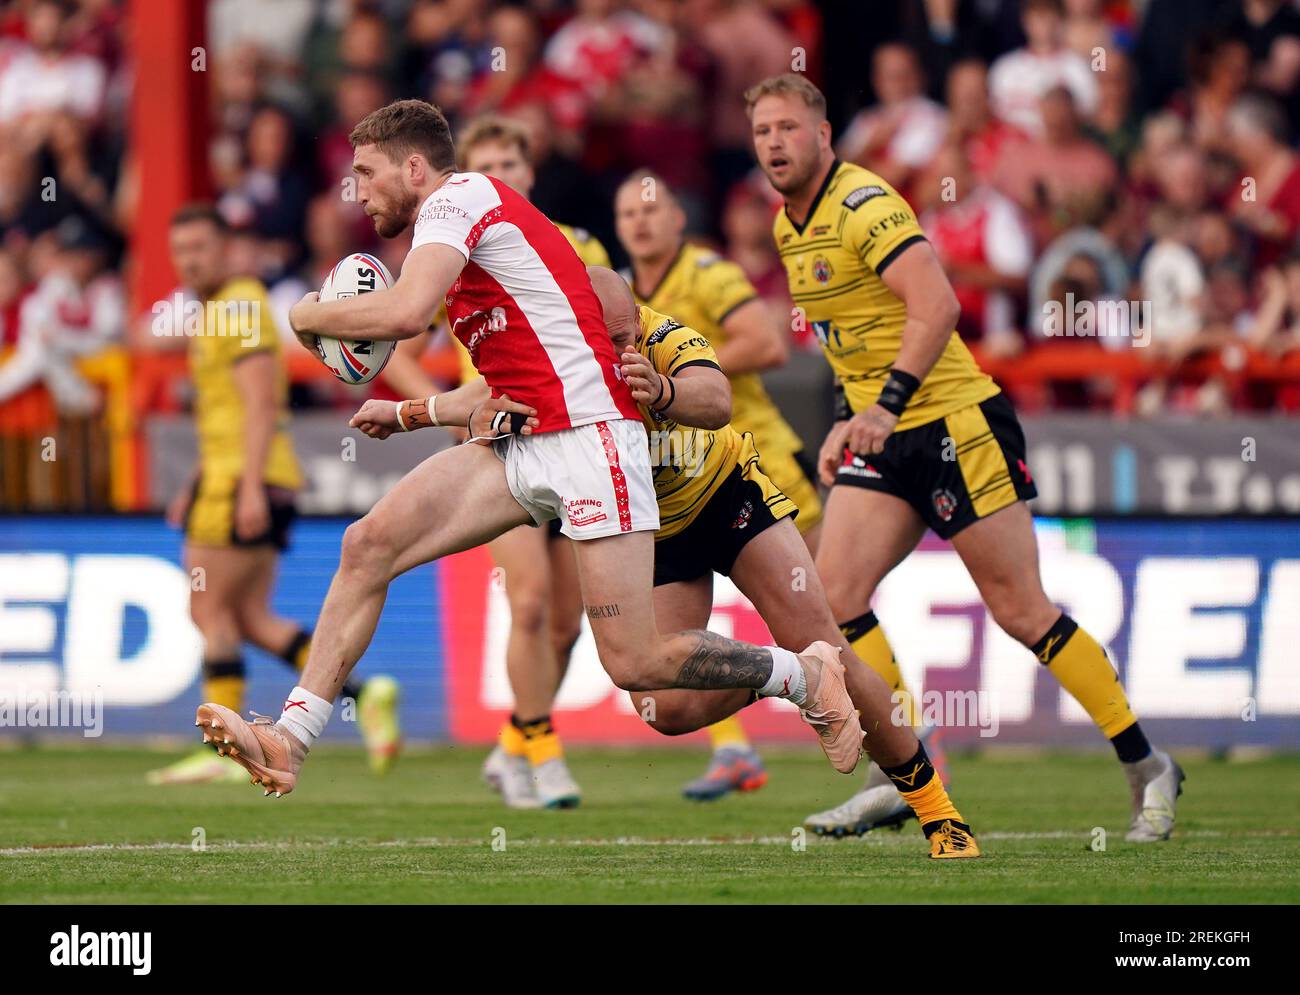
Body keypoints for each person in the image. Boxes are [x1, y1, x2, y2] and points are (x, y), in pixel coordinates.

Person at [191, 99, 863, 808]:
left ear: (415, 166)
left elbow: (403, 314)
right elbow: (495, 376)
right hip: (525, 436)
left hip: (591, 437)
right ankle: (290, 739)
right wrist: (412, 411)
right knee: (368, 544)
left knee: (635, 662)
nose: (356, 191)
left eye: (366, 172)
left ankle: (801, 675)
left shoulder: (457, 199)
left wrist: (300, 314)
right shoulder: (458, 234)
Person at [361, 264, 983, 859]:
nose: (625, 349)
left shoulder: (663, 338)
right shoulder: (561, 357)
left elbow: (716, 400)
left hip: (727, 498)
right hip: (650, 534)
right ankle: (794, 674)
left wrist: (660, 389)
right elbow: (489, 391)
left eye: (631, 334)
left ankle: (938, 811)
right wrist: (406, 412)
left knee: (831, 646)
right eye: (612, 342)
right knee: (665, 708)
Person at [748, 72, 1185, 844]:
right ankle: (904, 770)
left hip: (954, 421)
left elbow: (938, 304)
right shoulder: (789, 228)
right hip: (881, 434)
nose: (774, 143)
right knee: (832, 598)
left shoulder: (864, 203)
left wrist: (883, 406)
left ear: (822, 136)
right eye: (762, 132)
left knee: (1021, 611)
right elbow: (853, 338)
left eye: (788, 127)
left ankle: (1147, 762)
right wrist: (849, 419)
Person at [151, 203, 400, 785]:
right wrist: (196, 482)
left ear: (227, 249)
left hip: (243, 479)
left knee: (206, 607)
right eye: (180, 251)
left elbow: (262, 404)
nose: (190, 262)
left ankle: (225, 753)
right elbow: (228, 410)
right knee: (248, 616)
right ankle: (365, 695)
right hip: (236, 475)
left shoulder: (236, 304)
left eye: (200, 249)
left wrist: (246, 488)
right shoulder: (218, 308)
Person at [614, 169, 823, 800]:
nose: (641, 221)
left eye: (652, 208)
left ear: (680, 219)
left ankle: (913, 756)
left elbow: (766, 344)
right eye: (628, 214)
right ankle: (736, 746)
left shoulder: (710, 274)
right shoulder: (618, 303)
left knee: (834, 618)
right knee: (676, 660)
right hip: (676, 481)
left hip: (754, 463)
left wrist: (685, 371)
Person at [453, 114, 609, 810]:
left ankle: (514, 740)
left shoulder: (577, 245)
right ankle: (543, 754)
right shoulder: (451, 252)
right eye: (485, 168)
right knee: (529, 598)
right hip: (502, 443)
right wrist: (443, 405)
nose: (501, 178)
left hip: (575, 437)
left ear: (529, 172)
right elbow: (403, 329)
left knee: (569, 621)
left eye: (510, 165)